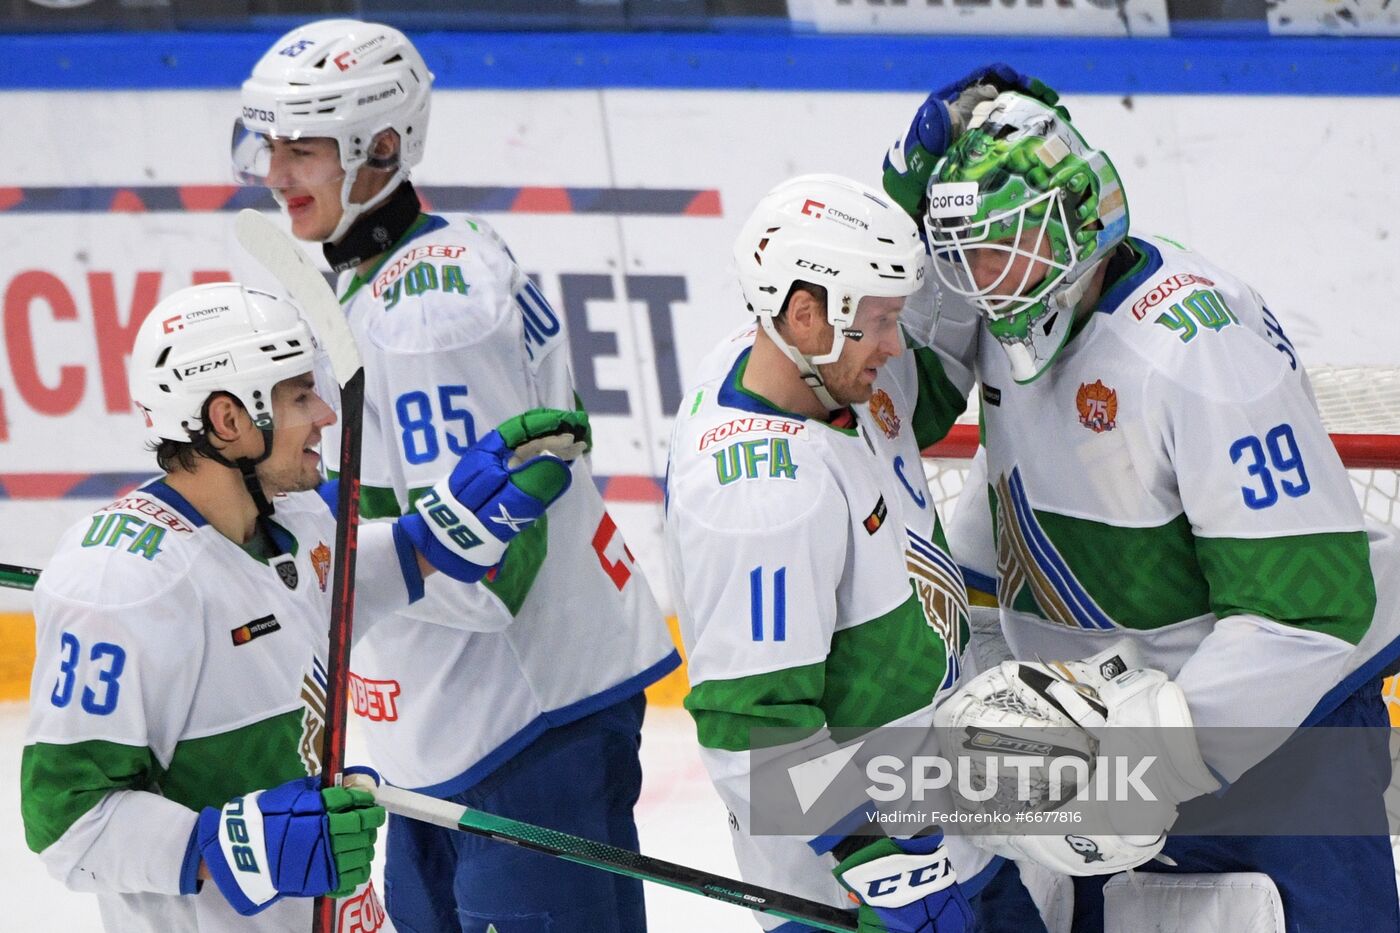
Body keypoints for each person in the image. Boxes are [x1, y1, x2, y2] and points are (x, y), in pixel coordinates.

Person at [888, 88, 1400, 932]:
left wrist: (1144, 762)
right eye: (965, 257)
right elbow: (895, 406)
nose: (987, 282)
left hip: (1277, 748)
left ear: (1081, 215)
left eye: (1005, 248)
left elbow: (1310, 604)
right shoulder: (1007, 317)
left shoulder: (1198, 348)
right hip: (1105, 752)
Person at [233, 20, 681, 932]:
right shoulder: (375, 275)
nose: (277, 172)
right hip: (442, 725)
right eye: (270, 143)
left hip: (527, 721)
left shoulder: (431, 318)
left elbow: (482, 581)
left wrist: (310, 564)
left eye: (304, 147)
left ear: (384, 147)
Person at [20, 281, 584, 932]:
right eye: (296, 396)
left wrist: (435, 535)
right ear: (228, 421)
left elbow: (329, 590)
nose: (323, 413)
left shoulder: (298, 514)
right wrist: (234, 843)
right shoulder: (121, 584)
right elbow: (67, 822)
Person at [663, 172, 987, 932]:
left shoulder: (796, 372)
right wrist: (882, 865)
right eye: (877, 321)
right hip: (851, 892)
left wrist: (920, 187)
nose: (894, 343)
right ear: (806, 315)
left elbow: (923, 395)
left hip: (947, 831)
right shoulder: (763, 503)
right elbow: (752, 729)